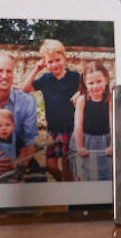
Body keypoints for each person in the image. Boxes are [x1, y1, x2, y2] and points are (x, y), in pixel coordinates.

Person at [22, 39, 81, 180]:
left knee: (68, 167)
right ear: (45, 63)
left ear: (64, 57)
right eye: (50, 62)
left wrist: (80, 93)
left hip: (70, 130)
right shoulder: (46, 79)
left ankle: (69, 189)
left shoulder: (74, 77)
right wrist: (36, 69)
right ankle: (62, 183)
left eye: (57, 60)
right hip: (52, 131)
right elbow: (25, 89)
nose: (54, 64)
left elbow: (87, 88)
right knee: (51, 166)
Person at [72, 61, 113, 181]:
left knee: (106, 173)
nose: (95, 86)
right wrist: (80, 147)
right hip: (86, 140)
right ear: (85, 84)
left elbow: (113, 124)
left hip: (105, 141)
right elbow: (78, 125)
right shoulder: (82, 100)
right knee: (86, 174)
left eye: (99, 81)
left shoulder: (110, 100)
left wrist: (112, 145)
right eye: (91, 83)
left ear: (106, 80)